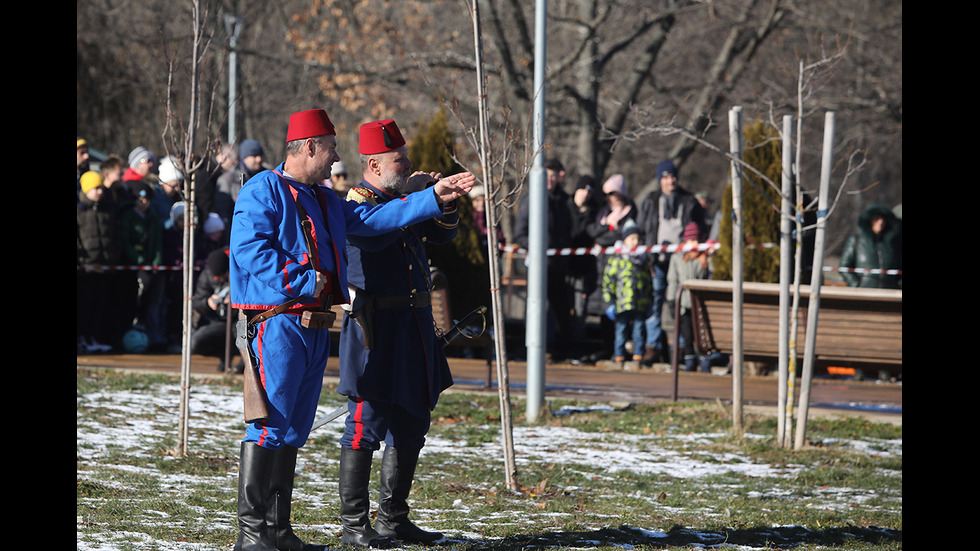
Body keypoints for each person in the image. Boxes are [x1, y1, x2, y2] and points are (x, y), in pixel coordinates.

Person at [228, 108, 474, 551]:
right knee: (268, 425)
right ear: (309, 148)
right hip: (275, 322)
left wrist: (434, 196)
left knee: (294, 428)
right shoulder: (263, 188)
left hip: (315, 324)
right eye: (332, 148)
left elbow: (373, 222)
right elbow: (248, 250)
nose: (337, 157)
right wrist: (304, 281)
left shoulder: (324, 199)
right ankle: (252, 535)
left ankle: (279, 533)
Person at [336, 119, 464, 548]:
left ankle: (393, 518)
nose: (408, 164)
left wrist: (443, 202)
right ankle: (355, 524)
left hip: (412, 329)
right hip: (376, 330)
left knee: (412, 422)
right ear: (374, 163)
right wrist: (424, 196)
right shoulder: (356, 204)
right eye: (399, 159)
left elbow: (444, 235)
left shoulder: (402, 200)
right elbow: (375, 231)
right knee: (365, 425)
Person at [635, 160, 705, 366]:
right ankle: (652, 347)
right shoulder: (651, 200)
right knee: (656, 303)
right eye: (665, 177)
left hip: (682, 262)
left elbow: (701, 227)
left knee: (681, 305)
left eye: (672, 177)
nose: (670, 181)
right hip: (657, 261)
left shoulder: (688, 200)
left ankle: (682, 348)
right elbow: (642, 227)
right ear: (659, 180)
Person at [513, 158, 575, 361]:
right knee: (534, 309)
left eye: (554, 175)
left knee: (561, 310)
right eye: (546, 174)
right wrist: (537, 246)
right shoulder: (532, 199)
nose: (550, 179)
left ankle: (561, 350)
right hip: (539, 266)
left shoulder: (565, 200)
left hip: (560, 266)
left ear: (560, 176)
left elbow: (571, 231)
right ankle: (527, 349)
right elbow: (520, 234)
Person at [77, 170, 122, 353]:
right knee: (84, 307)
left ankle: (94, 338)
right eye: (95, 188)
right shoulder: (80, 212)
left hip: (105, 267)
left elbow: (116, 236)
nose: (100, 192)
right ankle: (83, 338)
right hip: (86, 269)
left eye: (101, 188)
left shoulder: (107, 211)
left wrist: (113, 256)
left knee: (100, 306)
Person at [119, 181, 166, 352]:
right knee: (135, 298)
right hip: (134, 266)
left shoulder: (153, 218)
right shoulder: (128, 217)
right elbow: (126, 241)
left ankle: (151, 334)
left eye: (147, 200)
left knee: (152, 301)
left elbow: (158, 242)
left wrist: (156, 260)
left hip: (151, 267)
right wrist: (138, 259)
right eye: (140, 199)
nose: (143, 203)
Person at [601, 219, 652, 365]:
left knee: (639, 331)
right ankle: (619, 357)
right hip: (622, 304)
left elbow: (648, 282)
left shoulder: (643, 259)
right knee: (621, 331)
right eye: (632, 238)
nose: (635, 242)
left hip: (640, 304)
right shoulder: (617, 259)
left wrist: (649, 301)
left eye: (637, 238)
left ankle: (638, 358)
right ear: (625, 240)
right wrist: (609, 302)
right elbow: (608, 282)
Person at [666, 222, 711, 371]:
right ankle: (690, 360)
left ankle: (704, 361)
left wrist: (709, 256)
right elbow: (673, 280)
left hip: (700, 304)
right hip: (684, 304)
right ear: (685, 241)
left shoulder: (704, 257)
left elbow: (711, 276)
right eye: (691, 240)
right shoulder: (678, 258)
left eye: (697, 240)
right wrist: (672, 301)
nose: (694, 244)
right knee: (687, 335)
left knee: (702, 335)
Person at [191, 248, 241, 370]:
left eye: (223, 276)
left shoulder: (238, 272)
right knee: (195, 342)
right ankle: (224, 355)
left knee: (244, 339)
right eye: (217, 277)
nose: (220, 279)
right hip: (219, 321)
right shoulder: (207, 275)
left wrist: (235, 300)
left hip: (239, 320)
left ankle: (243, 363)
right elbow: (197, 303)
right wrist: (208, 303)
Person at [838, 204, 902, 289]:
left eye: (883, 219)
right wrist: (856, 285)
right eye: (876, 219)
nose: (881, 222)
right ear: (869, 221)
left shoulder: (894, 244)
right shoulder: (856, 241)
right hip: (864, 294)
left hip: (889, 294)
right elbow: (844, 267)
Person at [216, 139, 265, 232]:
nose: (259, 159)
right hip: (237, 231)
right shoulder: (228, 179)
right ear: (244, 157)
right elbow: (223, 213)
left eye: (260, 155)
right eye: (254, 155)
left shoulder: (266, 177)